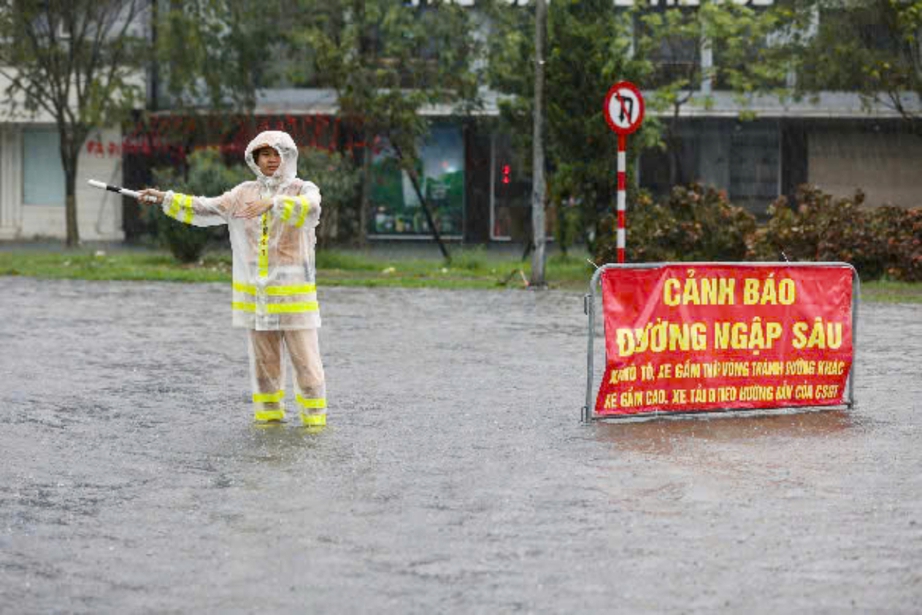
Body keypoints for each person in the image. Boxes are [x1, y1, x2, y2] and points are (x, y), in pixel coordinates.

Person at [140, 130, 327, 428]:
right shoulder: (242, 194)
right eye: (265, 154)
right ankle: (269, 421)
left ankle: (314, 422)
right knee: (265, 364)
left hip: (294, 298)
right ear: (254, 159)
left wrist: (274, 203)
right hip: (258, 298)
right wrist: (165, 198)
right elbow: (205, 206)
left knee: (306, 362)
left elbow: (312, 208)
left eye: (277, 154)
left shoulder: (302, 189)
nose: (271, 160)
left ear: (288, 157)